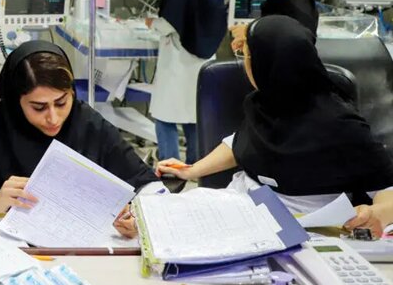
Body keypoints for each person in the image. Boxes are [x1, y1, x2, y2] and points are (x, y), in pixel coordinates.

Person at [117, 15, 393, 238]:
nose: (245, 64)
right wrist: (192, 170)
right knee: (157, 214)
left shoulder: (342, 127)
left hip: (304, 227)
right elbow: (242, 142)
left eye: (247, 56)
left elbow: (386, 185)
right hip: (240, 207)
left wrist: (377, 214)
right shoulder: (264, 103)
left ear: (267, 65)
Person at [0, 41, 160, 217]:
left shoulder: (87, 124)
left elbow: (150, 187)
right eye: (38, 107)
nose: (53, 118)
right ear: (16, 101)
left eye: (61, 103)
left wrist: (136, 218)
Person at [150, 0, 227, 163]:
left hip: (178, 62)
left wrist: (151, 23)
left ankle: (170, 167)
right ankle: (195, 166)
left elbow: (169, 24)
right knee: (193, 118)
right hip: (203, 63)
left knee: (164, 116)